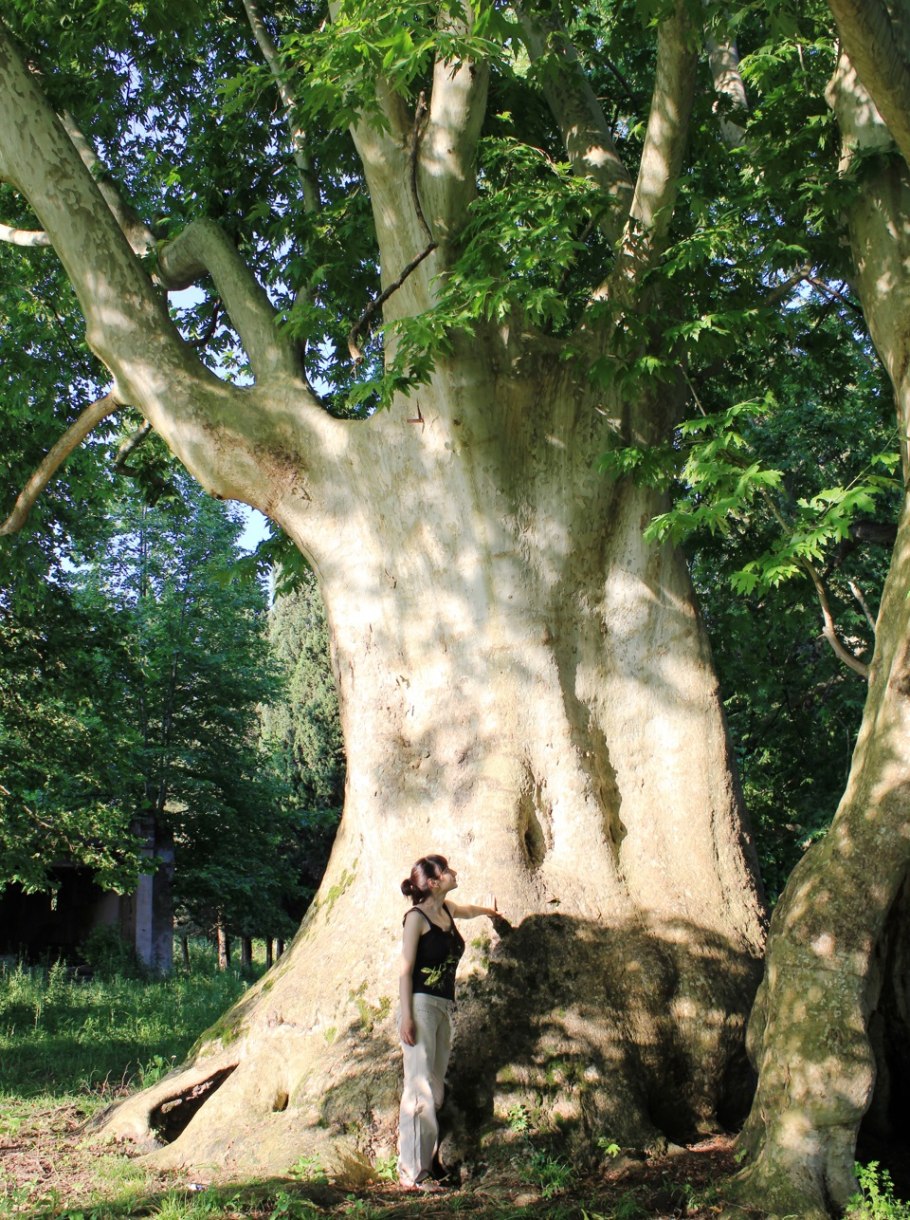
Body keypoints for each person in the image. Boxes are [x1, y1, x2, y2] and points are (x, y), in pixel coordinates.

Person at [397, 853, 499, 1191]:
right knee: (420, 1087)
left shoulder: (446, 910)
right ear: (433, 881)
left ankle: (423, 1164)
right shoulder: (416, 918)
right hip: (420, 1006)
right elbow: (405, 970)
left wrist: (488, 911)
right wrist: (407, 1016)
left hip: (442, 1007)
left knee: (435, 1088)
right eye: (446, 870)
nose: (453, 872)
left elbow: (466, 910)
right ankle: (413, 1172)